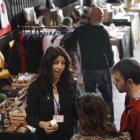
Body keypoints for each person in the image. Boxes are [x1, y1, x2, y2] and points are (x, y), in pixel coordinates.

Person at [65, 6, 114, 123]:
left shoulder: (81, 29)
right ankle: (110, 123)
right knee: (107, 99)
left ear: (90, 16)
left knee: (90, 100)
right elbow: (108, 51)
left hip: (87, 69)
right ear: (101, 18)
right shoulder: (103, 32)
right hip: (102, 69)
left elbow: (68, 40)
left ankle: (91, 123)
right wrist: (111, 65)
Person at [26, 46, 81, 140]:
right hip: (45, 136)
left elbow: (77, 111)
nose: (60, 67)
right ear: (47, 64)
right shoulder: (36, 87)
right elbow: (30, 117)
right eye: (56, 62)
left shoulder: (71, 83)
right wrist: (43, 124)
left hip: (68, 134)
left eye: (63, 63)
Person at [111, 58, 140, 140]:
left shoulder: (138, 109)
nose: (114, 83)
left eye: (117, 80)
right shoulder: (129, 96)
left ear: (130, 82)